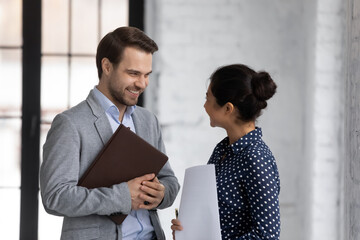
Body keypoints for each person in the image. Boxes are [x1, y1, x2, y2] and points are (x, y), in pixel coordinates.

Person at [40, 26, 180, 240]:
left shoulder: (148, 120)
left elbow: (168, 180)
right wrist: (122, 196)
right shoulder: (70, 124)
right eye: (133, 73)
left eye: (146, 75)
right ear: (106, 66)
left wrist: (161, 194)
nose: (142, 84)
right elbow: (55, 197)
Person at [171, 64, 281, 239]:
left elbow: (267, 234)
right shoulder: (223, 149)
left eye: (208, 98)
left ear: (228, 108)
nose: (205, 106)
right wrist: (188, 229)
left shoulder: (256, 157)